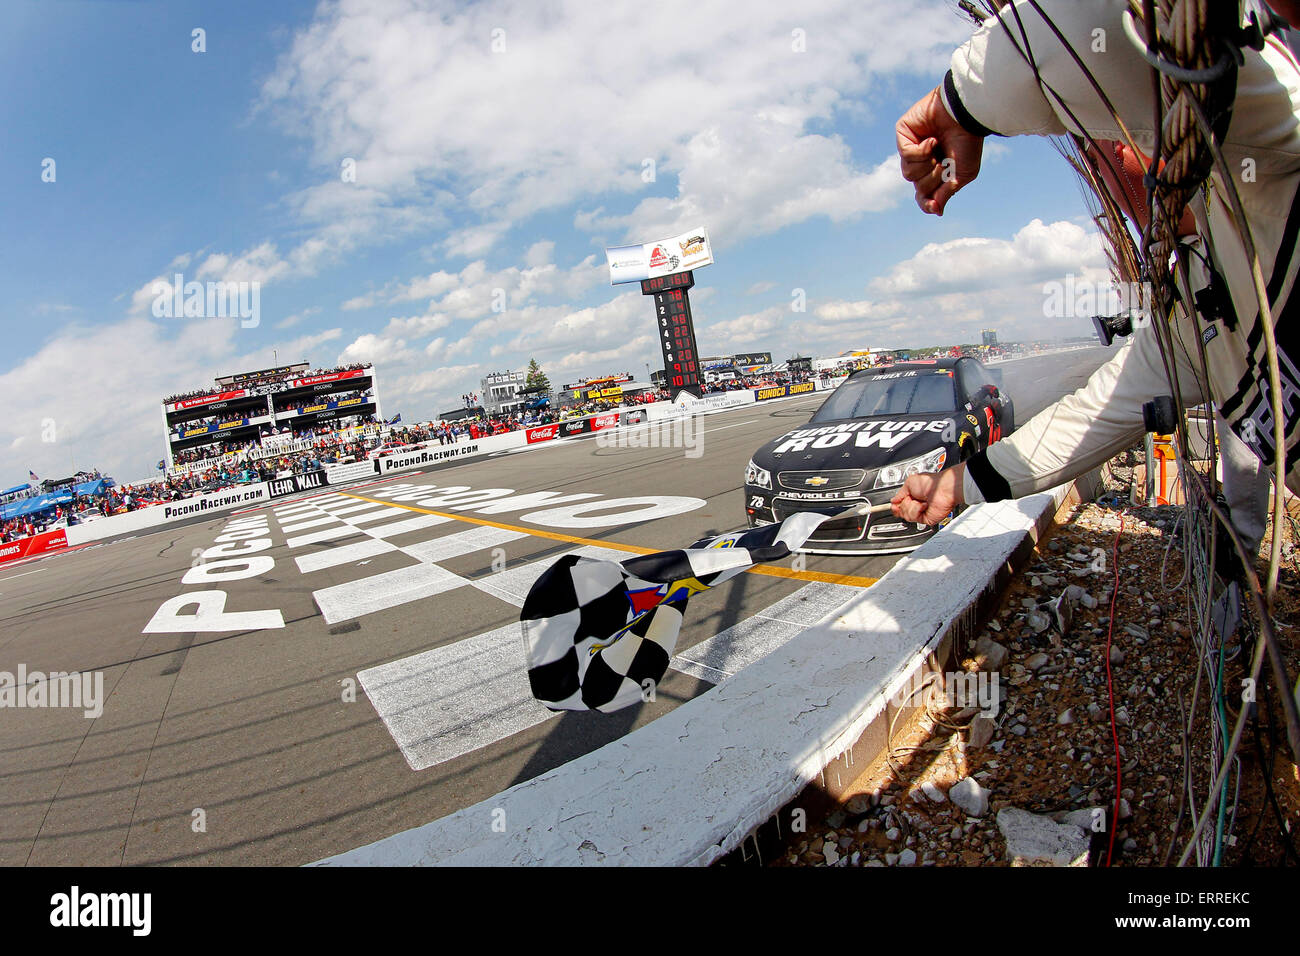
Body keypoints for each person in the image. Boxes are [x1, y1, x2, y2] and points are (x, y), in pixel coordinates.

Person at [889, 0, 1300, 548]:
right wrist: (960, 485)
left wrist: (955, 107)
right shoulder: (1195, 305)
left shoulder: (1271, 143)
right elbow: (1091, 419)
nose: (1106, 168)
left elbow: (1094, 22)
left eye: (1109, 139)